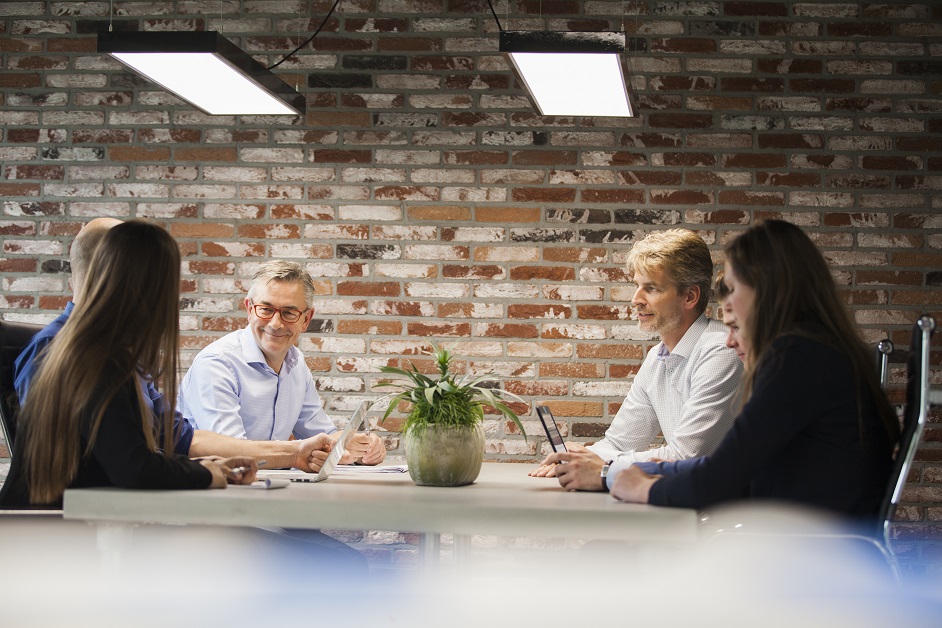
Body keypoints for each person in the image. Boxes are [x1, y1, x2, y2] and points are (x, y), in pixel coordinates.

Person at [611, 220, 899, 520]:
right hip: (812, 534)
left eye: (734, 287)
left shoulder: (796, 358)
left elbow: (719, 477)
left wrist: (641, 488)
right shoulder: (817, 349)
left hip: (820, 547)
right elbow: (732, 467)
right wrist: (646, 469)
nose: (727, 297)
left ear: (765, 290)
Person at [13, 218, 334, 473]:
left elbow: (180, 437)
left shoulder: (124, 360)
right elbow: (128, 464)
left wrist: (289, 454)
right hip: (67, 527)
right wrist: (207, 473)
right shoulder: (55, 351)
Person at [0, 221, 259, 509]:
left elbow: (127, 453)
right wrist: (204, 474)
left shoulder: (91, 350)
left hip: (55, 522)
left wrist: (201, 467)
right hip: (47, 532)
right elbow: (134, 469)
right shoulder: (98, 360)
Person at [532, 229, 744, 491]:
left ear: (690, 296)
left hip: (730, 511)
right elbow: (620, 442)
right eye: (637, 286)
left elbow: (687, 456)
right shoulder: (658, 357)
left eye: (651, 288)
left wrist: (601, 467)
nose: (636, 300)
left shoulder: (721, 351)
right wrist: (582, 456)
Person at [179, 260, 385, 466]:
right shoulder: (217, 364)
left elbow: (323, 437)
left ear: (306, 319)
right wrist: (301, 452)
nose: (276, 324)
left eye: (288, 313)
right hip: (213, 491)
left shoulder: (296, 363)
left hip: (263, 488)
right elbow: (233, 456)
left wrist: (359, 448)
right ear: (249, 309)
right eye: (266, 309)